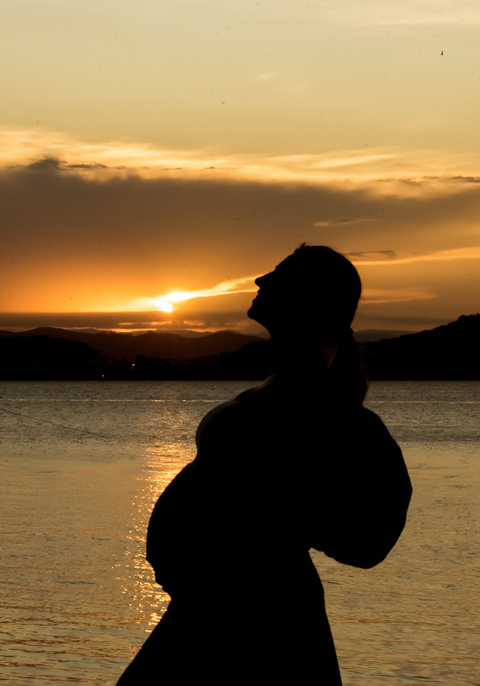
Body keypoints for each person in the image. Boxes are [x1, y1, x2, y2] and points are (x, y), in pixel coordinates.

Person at [118, 245, 412, 685]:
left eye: (278, 274)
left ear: (307, 298)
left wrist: (281, 519)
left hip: (256, 621)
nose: (260, 281)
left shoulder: (328, 409)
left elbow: (370, 540)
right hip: (211, 612)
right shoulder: (286, 389)